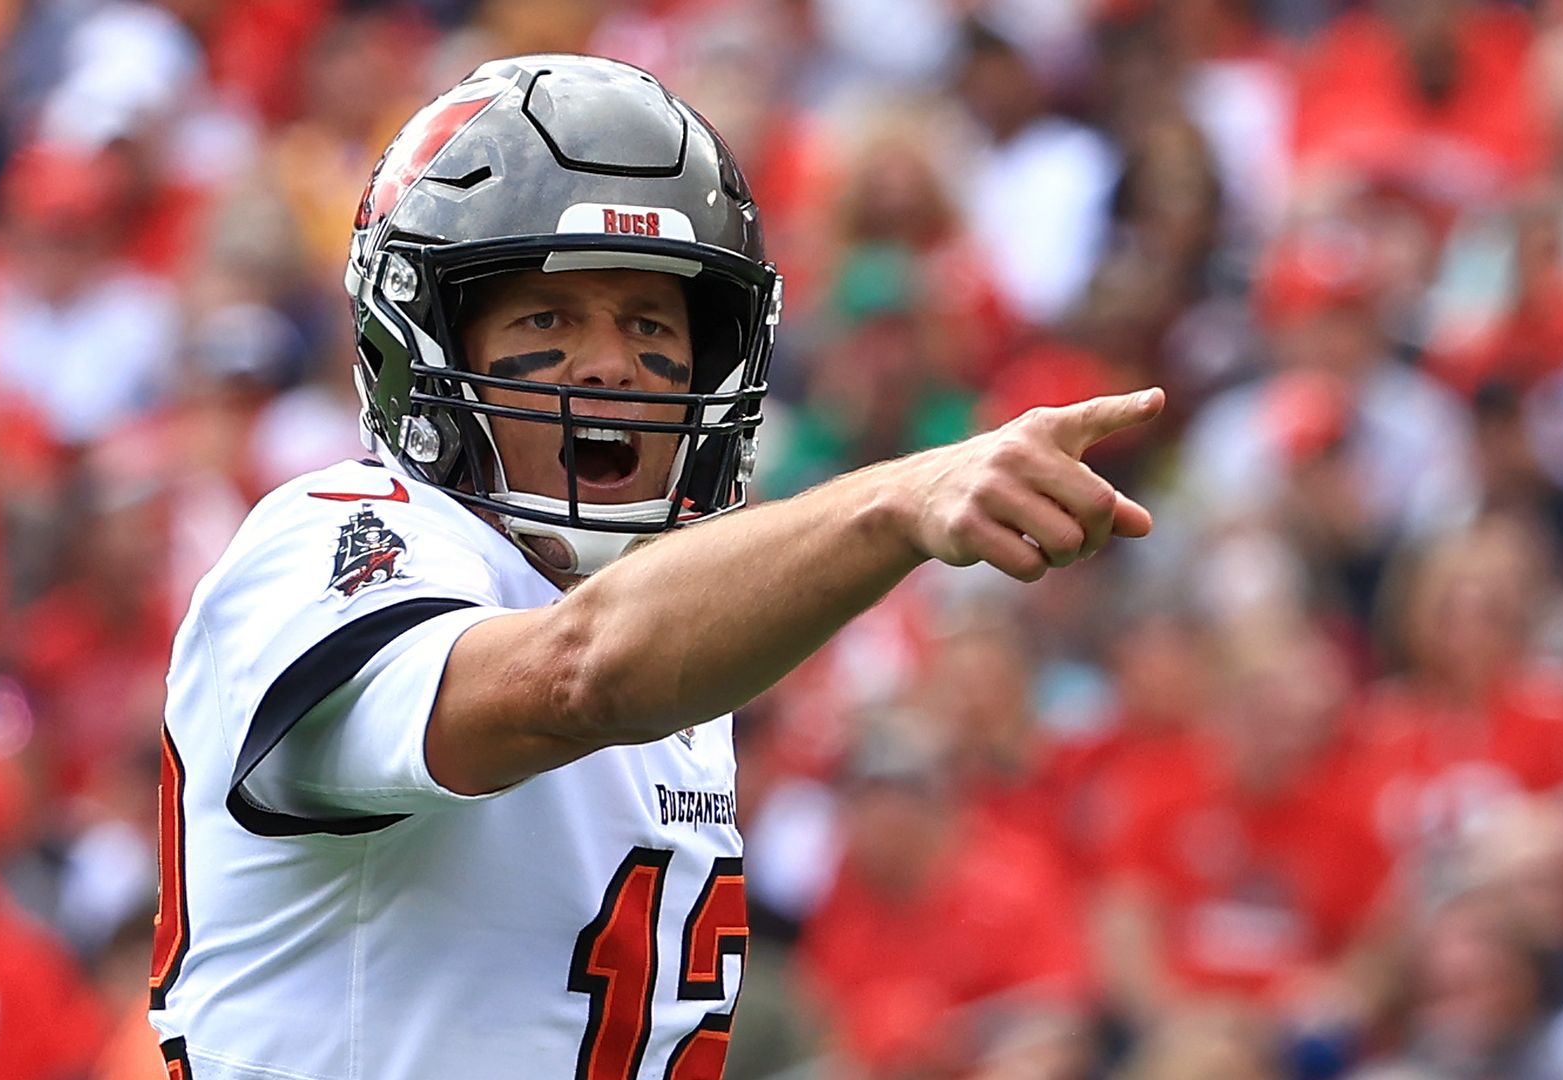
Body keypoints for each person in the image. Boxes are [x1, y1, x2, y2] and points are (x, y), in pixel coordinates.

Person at [148, 54, 1165, 1079]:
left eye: (649, 323)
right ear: (423, 340)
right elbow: (572, 676)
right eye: (550, 317)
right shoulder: (335, 537)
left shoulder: (672, 607)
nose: (608, 364)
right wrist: (893, 502)